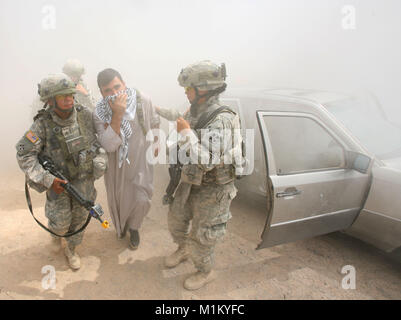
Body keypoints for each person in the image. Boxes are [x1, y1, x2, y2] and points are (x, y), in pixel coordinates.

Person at [159, 60, 243, 290]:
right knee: (176, 220)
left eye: (189, 89)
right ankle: (182, 248)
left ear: (203, 89)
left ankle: (205, 272)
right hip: (190, 181)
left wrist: (186, 133)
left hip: (213, 189)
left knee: (204, 236)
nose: (186, 93)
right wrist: (154, 109)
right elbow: (179, 118)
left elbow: (207, 161)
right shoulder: (196, 110)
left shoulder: (222, 120)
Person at [16, 73, 108, 270]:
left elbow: (101, 143)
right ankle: (56, 235)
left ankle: (72, 249)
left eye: (70, 94)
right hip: (58, 185)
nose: (69, 98)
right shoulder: (42, 124)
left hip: (84, 182)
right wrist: (47, 179)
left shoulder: (85, 115)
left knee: (81, 220)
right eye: (62, 95)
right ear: (50, 100)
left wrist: (100, 160)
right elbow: (24, 154)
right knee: (60, 222)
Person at [93, 68, 160, 249]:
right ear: (101, 92)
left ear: (124, 84)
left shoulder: (143, 100)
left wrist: (156, 141)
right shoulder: (99, 112)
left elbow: (154, 120)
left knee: (142, 199)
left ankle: (135, 228)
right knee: (120, 199)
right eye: (108, 90)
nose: (114, 93)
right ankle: (122, 226)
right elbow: (109, 145)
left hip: (141, 161)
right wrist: (117, 114)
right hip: (117, 167)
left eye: (117, 87)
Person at [30, 59, 96, 120]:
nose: (73, 78)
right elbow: (38, 107)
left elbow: (95, 109)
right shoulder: (55, 85)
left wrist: (86, 95)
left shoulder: (83, 87)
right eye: (71, 75)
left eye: (76, 76)